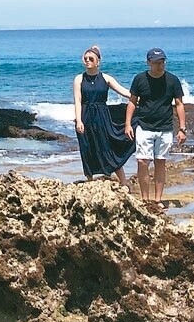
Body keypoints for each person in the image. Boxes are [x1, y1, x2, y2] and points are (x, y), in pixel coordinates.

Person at [125, 48, 187, 205]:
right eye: (157, 62)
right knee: (142, 161)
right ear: (149, 63)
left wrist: (182, 128)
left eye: (162, 61)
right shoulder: (140, 79)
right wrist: (127, 124)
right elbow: (132, 102)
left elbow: (179, 104)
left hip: (165, 128)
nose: (160, 65)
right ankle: (145, 199)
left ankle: (158, 199)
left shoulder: (172, 80)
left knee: (160, 162)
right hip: (144, 126)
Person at [72, 46, 134, 186]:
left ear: (98, 61)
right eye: (85, 59)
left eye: (91, 59)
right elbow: (77, 100)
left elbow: (124, 92)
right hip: (85, 115)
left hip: (102, 116)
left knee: (108, 146)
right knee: (87, 147)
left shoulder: (106, 78)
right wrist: (79, 121)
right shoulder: (79, 79)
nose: (87, 61)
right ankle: (90, 181)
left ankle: (124, 182)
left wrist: (139, 98)